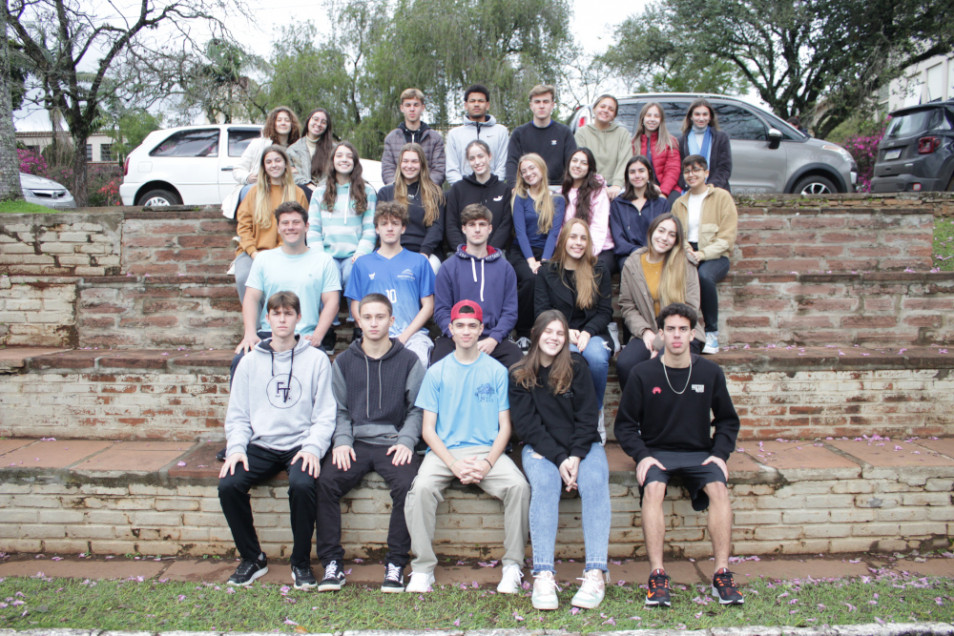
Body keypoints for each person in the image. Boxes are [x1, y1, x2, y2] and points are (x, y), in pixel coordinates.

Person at [614, 302, 743, 607]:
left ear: (693, 334)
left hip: (699, 453)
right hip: (657, 452)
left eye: (682, 329)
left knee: (719, 489)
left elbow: (727, 420)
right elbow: (625, 426)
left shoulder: (710, 372)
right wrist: (642, 456)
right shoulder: (642, 374)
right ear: (660, 333)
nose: (676, 336)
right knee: (654, 488)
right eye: (670, 329)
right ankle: (658, 575)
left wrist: (720, 454)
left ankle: (721, 573)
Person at [404, 300, 530, 594]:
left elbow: (505, 428)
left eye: (472, 325)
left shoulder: (497, 371)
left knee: (519, 488)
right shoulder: (436, 371)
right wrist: (453, 464)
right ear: (450, 329)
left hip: (488, 450)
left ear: (481, 329)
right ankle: (423, 568)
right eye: (460, 325)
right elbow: (428, 430)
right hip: (444, 451)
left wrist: (486, 463)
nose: (466, 331)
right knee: (420, 490)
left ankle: (512, 565)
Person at [218, 290, 335, 590]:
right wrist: (236, 449)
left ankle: (300, 562)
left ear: (299, 318)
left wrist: (312, 447)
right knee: (229, 483)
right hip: (262, 444)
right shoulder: (248, 363)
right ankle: (252, 557)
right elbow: (238, 415)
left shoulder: (317, 360)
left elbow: (325, 415)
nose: (282, 319)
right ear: (266, 318)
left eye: (289, 313)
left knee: (303, 483)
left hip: (300, 442)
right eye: (276, 313)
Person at [316, 293, 426, 594]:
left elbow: (417, 408)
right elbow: (338, 408)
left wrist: (406, 440)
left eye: (381, 317)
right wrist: (341, 441)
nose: (374, 323)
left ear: (392, 321)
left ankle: (395, 563)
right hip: (355, 443)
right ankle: (332, 564)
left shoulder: (409, 361)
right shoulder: (344, 362)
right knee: (326, 482)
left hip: (393, 442)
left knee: (408, 485)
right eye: (368, 317)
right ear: (359, 320)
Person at [509, 310, 610, 611]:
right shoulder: (519, 374)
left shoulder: (578, 367)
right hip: (542, 447)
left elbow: (588, 417)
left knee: (594, 483)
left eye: (560, 333)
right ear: (537, 334)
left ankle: (595, 572)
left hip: (583, 446)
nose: (553, 338)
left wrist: (575, 456)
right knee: (545, 484)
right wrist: (559, 458)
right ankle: (543, 573)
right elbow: (527, 426)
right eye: (548, 332)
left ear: (567, 338)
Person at [235, 201, 340, 367]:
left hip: (305, 336)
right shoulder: (263, 259)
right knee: (240, 362)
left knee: (322, 366)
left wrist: (318, 335)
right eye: (285, 223)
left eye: (296, 222)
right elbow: (251, 298)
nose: (290, 227)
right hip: (269, 334)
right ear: (278, 228)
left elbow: (332, 301)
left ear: (306, 227)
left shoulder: (323, 260)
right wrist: (249, 333)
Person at [533, 219, 612, 434]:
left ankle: (595, 413)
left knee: (596, 358)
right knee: (571, 357)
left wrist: (588, 332)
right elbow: (541, 311)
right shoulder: (547, 271)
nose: (578, 243)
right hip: (559, 333)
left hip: (593, 332)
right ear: (563, 240)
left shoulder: (599, 269)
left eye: (583, 238)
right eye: (573, 237)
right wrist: (564, 332)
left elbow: (606, 311)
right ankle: (570, 418)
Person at [615, 213, 704, 389]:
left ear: (677, 240)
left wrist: (660, 341)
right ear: (651, 232)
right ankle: (637, 414)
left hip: (682, 332)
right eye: (661, 231)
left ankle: (665, 415)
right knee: (625, 364)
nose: (664, 238)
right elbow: (627, 305)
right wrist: (645, 331)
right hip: (647, 331)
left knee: (664, 364)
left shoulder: (685, 263)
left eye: (672, 235)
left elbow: (691, 307)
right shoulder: (633, 263)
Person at [431, 203, 522, 369]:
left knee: (518, 365)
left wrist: (494, 339)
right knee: (438, 364)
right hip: (457, 337)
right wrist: (458, 336)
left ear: (490, 228)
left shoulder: (505, 268)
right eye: (472, 225)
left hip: (493, 340)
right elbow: (441, 311)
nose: (477, 229)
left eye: (482, 224)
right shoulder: (448, 267)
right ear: (464, 229)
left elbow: (510, 312)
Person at [345, 201, 436, 366]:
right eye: (384, 223)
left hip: (412, 335)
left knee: (419, 363)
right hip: (374, 333)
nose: (389, 228)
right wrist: (370, 331)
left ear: (403, 228)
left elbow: (428, 306)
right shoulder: (362, 263)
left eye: (395, 223)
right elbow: (355, 304)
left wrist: (403, 337)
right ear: (376, 229)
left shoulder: (419, 262)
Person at [671, 155, 737, 355]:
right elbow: (676, 232)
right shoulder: (679, 203)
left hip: (715, 255)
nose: (692, 175)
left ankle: (711, 333)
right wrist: (686, 248)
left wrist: (702, 254)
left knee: (704, 277)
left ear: (706, 173)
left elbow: (727, 236)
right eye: (688, 171)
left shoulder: (722, 197)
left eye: (697, 170)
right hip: (687, 252)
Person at [233, 146, 309, 303]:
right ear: (264, 167)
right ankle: (256, 326)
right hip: (252, 252)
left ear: (285, 164)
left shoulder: (298, 193)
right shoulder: (254, 193)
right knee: (243, 278)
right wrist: (254, 253)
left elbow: (300, 229)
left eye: (277, 160)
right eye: (268, 162)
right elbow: (243, 227)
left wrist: (279, 255)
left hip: (287, 252)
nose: (273, 165)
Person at [510, 153, 566, 347]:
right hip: (522, 252)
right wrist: (530, 261)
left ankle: (549, 331)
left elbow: (553, 234)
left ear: (542, 168)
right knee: (530, 279)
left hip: (547, 252)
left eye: (532, 168)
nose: (528, 173)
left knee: (550, 279)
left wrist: (544, 261)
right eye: (524, 171)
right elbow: (520, 232)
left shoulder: (557, 199)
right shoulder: (521, 197)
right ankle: (524, 331)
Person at [308, 141, 377, 296]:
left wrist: (361, 253)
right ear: (332, 161)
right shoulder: (319, 193)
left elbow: (369, 229)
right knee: (328, 275)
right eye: (339, 156)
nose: (344, 159)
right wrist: (319, 255)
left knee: (350, 274)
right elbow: (313, 228)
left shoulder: (367, 192)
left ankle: (356, 318)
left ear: (355, 162)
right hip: (326, 254)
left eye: (349, 156)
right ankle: (331, 319)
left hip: (354, 255)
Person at [377, 143, 446, 273]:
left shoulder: (435, 193)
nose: (409, 166)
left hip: (426, 251)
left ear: (422, 165)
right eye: (405, 161)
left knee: (427, 269)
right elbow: (381, 227)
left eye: (414, 161)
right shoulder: (386, 193)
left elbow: (436, 228)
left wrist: (424, 253)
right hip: (394, 249)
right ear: (399, 164)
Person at [223, 106, 302, 219]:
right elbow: (238, 169)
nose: (283, 123)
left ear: (292, 124)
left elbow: (303, 172)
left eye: (287, 120)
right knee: (250, 190)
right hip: (259, 186)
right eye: (279, 120)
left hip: (285, 189)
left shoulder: (297, 149)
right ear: (272, 123)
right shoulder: (258, 144)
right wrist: (248, 177)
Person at [444, 139, 513, 254]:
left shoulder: (504, 190)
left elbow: (505, 226)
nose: (477, 162)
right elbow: (451, 225)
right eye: (472, 158)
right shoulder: (458, 189)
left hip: (495, 253)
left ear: (489, 156)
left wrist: (487, 252)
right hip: (462, 253)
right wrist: (464, 252)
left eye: (480, 156)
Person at [505, 85, 577, 187]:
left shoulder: (564, 132)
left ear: (552, 105)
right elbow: (512, 163)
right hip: (527, 188)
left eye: (546, 101)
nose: (541, 106)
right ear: (531, 105)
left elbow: (571, 163)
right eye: (537, 102)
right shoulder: (519, 133)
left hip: (557, 188)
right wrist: (513, 187)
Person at [610, 155, 671, 271]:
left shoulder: (661, 203)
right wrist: (639, 252)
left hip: (657, 253)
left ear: (649, 173)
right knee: (630, 267)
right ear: (627, 176)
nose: (637, 175)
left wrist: (653, 252)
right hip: (628, 255)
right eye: (632, 172)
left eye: (641, 171)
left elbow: (666, 234)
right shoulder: (618, 204)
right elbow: (618, 238)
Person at [562, 147, 616, 276]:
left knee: (594, 271)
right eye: (574, 161)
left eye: (583, 163)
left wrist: (585, 254)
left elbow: (599, 227)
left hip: (598, 250)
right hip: (571, 248)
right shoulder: (562, 193)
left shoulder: (598, 192)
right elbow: (560, 228)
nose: (578, 165)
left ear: (589, 168)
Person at [445, 84, 509, 184]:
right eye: (472, 101)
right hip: (464, 194)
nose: (476, 104)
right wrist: (464, 190)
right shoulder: (454, 134)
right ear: (466, 105)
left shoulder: (501, 132)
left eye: (480, 101)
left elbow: (502, 165)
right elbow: (452, 169)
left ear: (487, 105)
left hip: (493, 191)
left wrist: (494, 187)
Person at [381, 88, 445, 186]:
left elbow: (439, 169)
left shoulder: (435, 138)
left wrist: (423, 190)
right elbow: (388, 169)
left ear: (422, 107)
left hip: (427, 194)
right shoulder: (391, 138)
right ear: (402, 108)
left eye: (416, 105)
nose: (412, 109)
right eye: (408, 105)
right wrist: (399, 188)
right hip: (399, 194)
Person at [574, 94, 631, 199]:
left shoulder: (622, 134)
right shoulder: (582, 133)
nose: (606, 110)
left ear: (614, 115)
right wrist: (595, 186)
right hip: (589, 187)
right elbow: (580, 162)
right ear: (594, 109)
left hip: (615, 189)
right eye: (602, 106)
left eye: (611, 109)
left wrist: (617, 185)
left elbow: (625, 161)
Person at [678, 99, 732, 192]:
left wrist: (709, 187)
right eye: (697, 114)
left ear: (710, 116)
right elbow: (679, 169)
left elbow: (724, 167)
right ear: (691, 116)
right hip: (690, 189)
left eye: (705, 114)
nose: (701, 118)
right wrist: (689, 185)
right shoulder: (682, 140)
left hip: (716, 189)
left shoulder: (721, 138)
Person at [632, 102, 682, 201]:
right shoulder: (633, 143)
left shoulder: (671, 142)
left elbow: (673, 170)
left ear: (661, 120)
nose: (652, 119)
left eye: (656, 116)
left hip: (668, 189)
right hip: (641, 188)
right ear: (642, 119)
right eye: (648, 115)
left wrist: (663, 192)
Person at [286, 108, 335, 196]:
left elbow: (335, 174)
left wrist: (320, 189)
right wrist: (309, 185)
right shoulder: (292, 150)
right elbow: (289, 175)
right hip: (300, 195)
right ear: (308, 120)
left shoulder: (334, 150)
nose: (318, 124)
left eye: (323, 122)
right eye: (315, 119)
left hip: (327, 195)